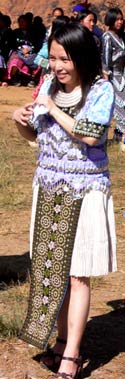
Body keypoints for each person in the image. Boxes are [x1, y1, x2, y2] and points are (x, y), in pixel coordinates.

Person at [13, 24, 117, 378]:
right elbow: (35, 133)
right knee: (50, 270)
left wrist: (51, 108)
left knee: (76, 275)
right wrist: (19, 121)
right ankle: (58, 343)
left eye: (64, 58)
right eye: (53, 57)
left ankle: (72, 353)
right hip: (49, 186)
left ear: (82, 57)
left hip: (85, 191)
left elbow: (90, 135)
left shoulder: (101, 90)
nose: (56, 65)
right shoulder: (48, 87)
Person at [102, 7, 125, 144]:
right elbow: (105, 61)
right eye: (117, 19)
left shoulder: (122, 37)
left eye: (121, 19)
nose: (120, 22)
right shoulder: (107, 37)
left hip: (123, 74)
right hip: (113, 77)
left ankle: (118, 134)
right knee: (120, 106)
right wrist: (106, 82)